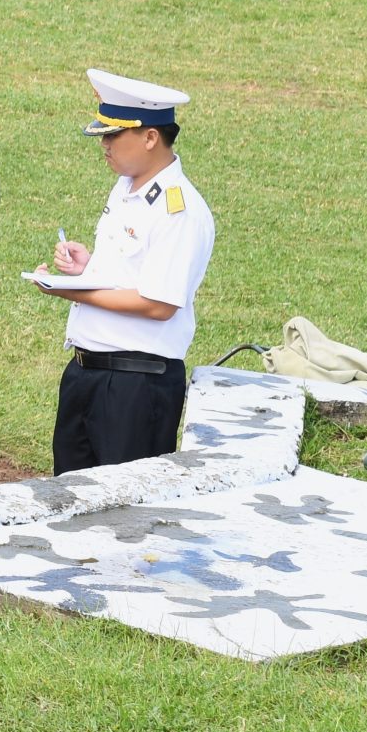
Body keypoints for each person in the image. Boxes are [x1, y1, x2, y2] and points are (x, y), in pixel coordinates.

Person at [36, 70, 216, 473]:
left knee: (126, 522)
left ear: (150, 137)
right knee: (70, 502)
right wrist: (87, 269)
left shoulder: (178, 208)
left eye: (113, 135)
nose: (104, 145)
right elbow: (132, 271)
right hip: (89, 375)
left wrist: (70, 291)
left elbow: (158, 303)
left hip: (135, 387)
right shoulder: (127, 189)